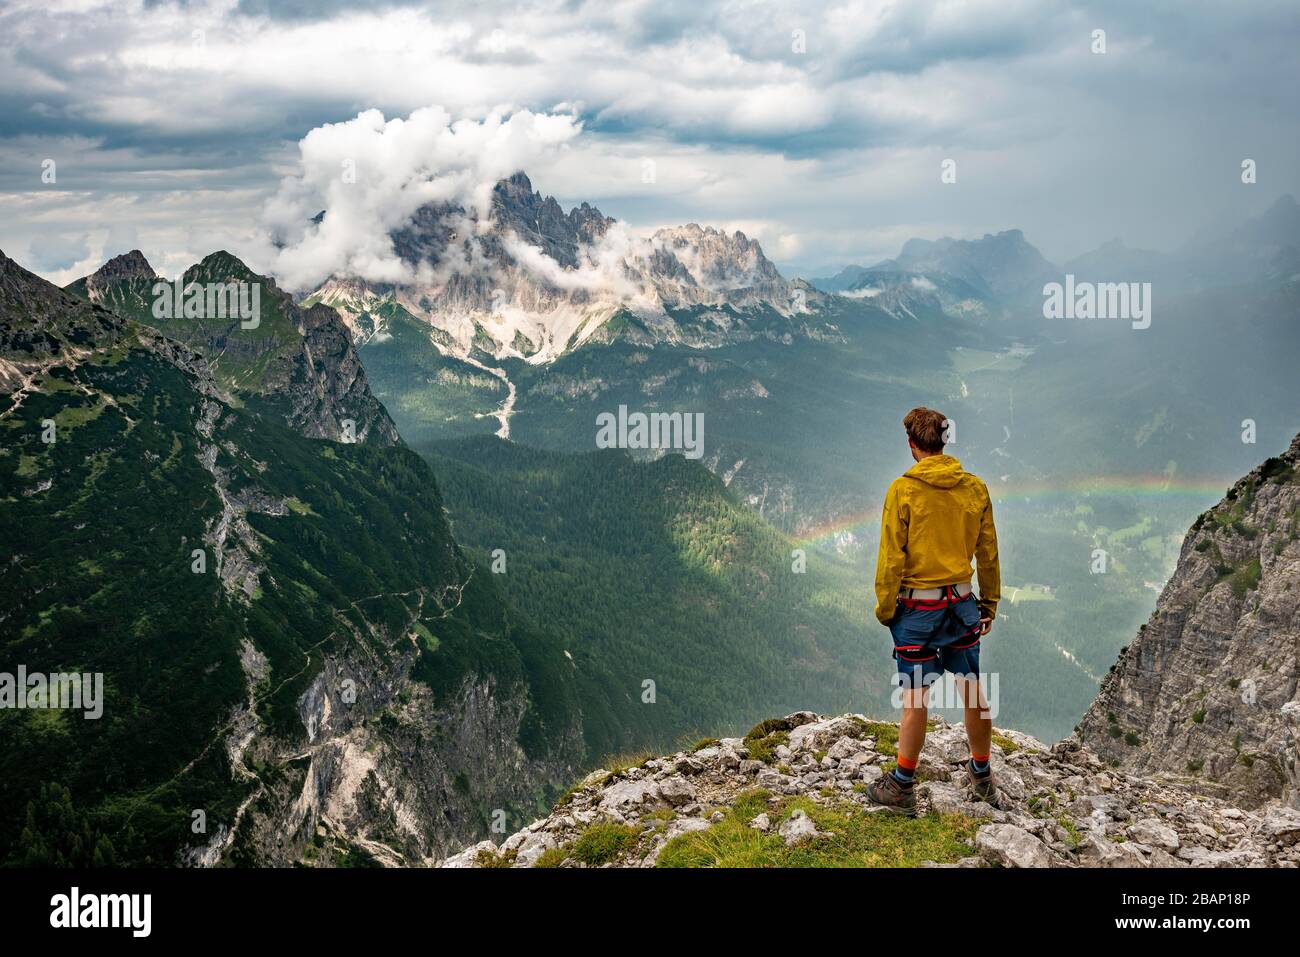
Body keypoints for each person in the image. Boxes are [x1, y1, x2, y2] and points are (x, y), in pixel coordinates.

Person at [866, 407, 1000, 815]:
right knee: (973, 690)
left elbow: (891, 558)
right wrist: (988, 602)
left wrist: (886, 609)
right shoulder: (974, 488)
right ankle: (982, 776)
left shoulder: (902, 491)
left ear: (911, 445)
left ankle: (902, 785)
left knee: (915, 698)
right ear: (944, 441)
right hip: (961, 607)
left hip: (917, 611)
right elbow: (988, 554)